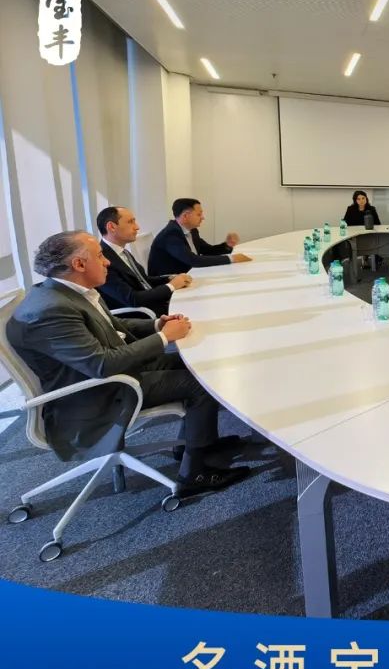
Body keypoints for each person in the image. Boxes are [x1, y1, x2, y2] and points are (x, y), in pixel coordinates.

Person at [7, 232, 250, 497]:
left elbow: (113, 325)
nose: (107, 262)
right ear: (79, 264)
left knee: (197, 363)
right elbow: (101, 365)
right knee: (200, 383)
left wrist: (157, 325)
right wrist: (164, 338)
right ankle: (194, 474)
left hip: (115, 372)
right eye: (100, 256)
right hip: (97, 392)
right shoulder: (50, 311)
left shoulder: (71, 291)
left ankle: (196, 442)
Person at [96, 206, 192, 317]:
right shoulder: (103, 260)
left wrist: (169, 278)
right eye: (130, 222)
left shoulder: (123, 252)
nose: (137, 227)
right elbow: (132, 298)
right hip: (142, 315)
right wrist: (171, 286)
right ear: (112, 227)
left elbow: (143, 280)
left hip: (155, 303)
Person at [148, 198, 251, 275]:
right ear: (185, 216)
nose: (203, 217)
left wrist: (227, 245)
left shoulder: (192, 230)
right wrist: (231, 259)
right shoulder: (170, 234)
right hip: (169, 283)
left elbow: (207, 250)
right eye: (199, 214)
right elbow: (193, 260)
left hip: (189, 275)